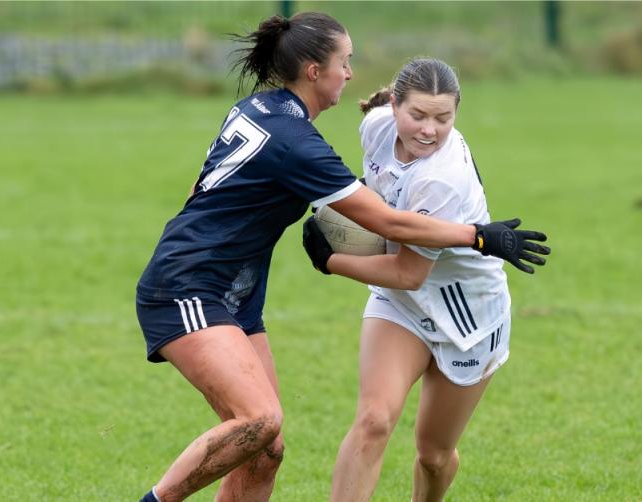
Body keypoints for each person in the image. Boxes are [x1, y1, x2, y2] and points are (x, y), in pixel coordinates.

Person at [136, 11, 548, 501]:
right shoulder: (299, 144)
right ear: (315, 71)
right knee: (261, 420)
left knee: (267, 447)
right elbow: (387, 223)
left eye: (442, 117)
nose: (350, 73)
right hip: (190, 286)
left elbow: (201, 186)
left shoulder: (260, 109)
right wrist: (478, 236)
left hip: (236, 291)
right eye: (344, 62)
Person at [302, 58, 550, 501]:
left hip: (468, 317)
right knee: (374, 419)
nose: (429, 130)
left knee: (434, 455)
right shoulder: (376, 126)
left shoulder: (443, 179)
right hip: (401, 306)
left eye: (443, 118)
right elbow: (379, 194)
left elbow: (407, 271)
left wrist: (330, 260)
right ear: (394, 104)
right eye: (417, 115)